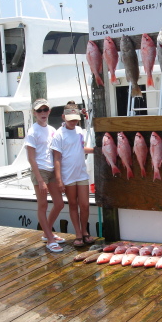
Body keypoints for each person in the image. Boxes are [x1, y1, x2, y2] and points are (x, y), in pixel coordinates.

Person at [51, 101, 95, 247]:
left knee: (85, 205)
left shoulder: (79, 131)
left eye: (76, 119)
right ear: (64, 117)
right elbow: (56, 158)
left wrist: (96, 150)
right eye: (70, 120)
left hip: (81, 173)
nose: (73, 122)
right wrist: (59, 180)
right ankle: (78, 233)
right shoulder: (58, 134)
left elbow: (81, 149)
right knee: (73, 204)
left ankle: (85, 231)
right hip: (68, 175)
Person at [25, 98, 65, 253]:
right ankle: (49, 238)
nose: (43, 113)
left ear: (49, 111)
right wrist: (40, 180)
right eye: (39, 110)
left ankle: (46, 232)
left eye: (45, 110)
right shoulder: (32, 131)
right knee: (43, 205)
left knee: (59, 203)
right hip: (40, 170)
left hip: (51, 170)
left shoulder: (51, 129)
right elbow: (31, 158)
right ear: (34, 113)